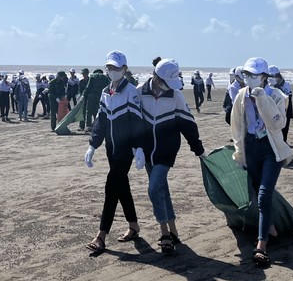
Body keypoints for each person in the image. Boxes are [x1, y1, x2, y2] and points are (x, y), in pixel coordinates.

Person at [229, 57, 293, 267]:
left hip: (271, 149)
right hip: (251, 148)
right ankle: (270, 225)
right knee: (257, 191)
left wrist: (263, 100)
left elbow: (279, 123)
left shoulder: (277, 96)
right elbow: (236, 125)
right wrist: (239, 152)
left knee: (265, 193)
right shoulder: (241, 95)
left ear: (264, 77)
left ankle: (261, 244)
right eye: (247, 74)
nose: (250, 78)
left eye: (254, 75)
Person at [138, 59, 204, 254]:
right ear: (156, 77)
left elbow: (187, 124)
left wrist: (198, 149)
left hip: (167, 151)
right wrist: (135, 147)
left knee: (153, 188)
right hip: (146, 151)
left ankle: (164, 232)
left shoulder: (176, 95)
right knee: (161, 189)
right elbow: (132, 120)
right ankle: (174, 231)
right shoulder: (139, 92)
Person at [84, 51, 147, 255]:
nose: (112, 71)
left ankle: (101, 236)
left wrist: (139, 147)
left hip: (126, 149)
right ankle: (134, 226)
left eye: (116, 68)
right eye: (110, 67)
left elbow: (137, 121)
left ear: (124, 69)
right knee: (122, 186)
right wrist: (93, 145)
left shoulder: (131, 92)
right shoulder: (105, 91)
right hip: (111, 148)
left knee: (111, 187)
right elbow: (101, 121)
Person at [268, 66, 293, 143]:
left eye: (274, 76)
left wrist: (277, 87)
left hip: (286, 107)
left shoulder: (286, 84)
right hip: (273, 108)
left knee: (285, 125)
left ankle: (284, 141)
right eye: (270, 76)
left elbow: (287, 97)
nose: (272, 78)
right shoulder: (268, 85)